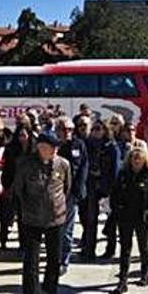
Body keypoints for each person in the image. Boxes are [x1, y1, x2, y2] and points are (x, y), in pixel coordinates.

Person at [12, 133, 72, 294]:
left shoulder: (63, 164)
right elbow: (18, 190)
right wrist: (25, 210)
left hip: (56, 218)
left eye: (56, 148)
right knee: (31, 262)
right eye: (50, 147)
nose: (54, 151)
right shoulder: (26, 164)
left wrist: (58, 207)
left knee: (54, 258)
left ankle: (51, 290)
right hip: (32, 219)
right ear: (40, 147)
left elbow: (67, 188)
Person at [110, 146, 148, 294]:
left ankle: (145, 273)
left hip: (143, 217)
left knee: (143, 246)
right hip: (125, 216)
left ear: (145, 160)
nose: (136, 161)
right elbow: (114, 194)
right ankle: (122, 280)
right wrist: (116, 210)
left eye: (139, 158)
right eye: (133, 158)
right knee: (125, 248)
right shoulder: (123, 174)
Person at [80, 120, 121, 260]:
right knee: (91, 220)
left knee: (110, 221)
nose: (96, 131)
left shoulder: (111, 146)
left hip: (107, 187)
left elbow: (115, 169)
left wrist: (112, 190)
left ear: (105, 130)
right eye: (94, 129)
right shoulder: (87, 144)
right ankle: (89, 250)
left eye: (99, 128)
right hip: (92, 185)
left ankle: (110, 249)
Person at [57, 117, 88, 274]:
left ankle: (64, 260)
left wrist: (77, 190)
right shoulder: (54, 145)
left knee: (67, 229)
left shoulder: (78, 145)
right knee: (55, 228)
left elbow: (82, 169)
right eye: (64, 129)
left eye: (70, 129)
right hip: (54, 193)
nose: (67, 133)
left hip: (70, 194)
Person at [2, 123, 37, 249]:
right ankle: (22, 243)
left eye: (24, 135)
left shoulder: (35, 150)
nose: (22, 138)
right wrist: (7, 185)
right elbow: (7, 169)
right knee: (20, 217)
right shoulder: (11, 149)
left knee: (30, 217)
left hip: (32, 188)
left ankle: (30, 242)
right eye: (20, 135)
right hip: (16, 186)